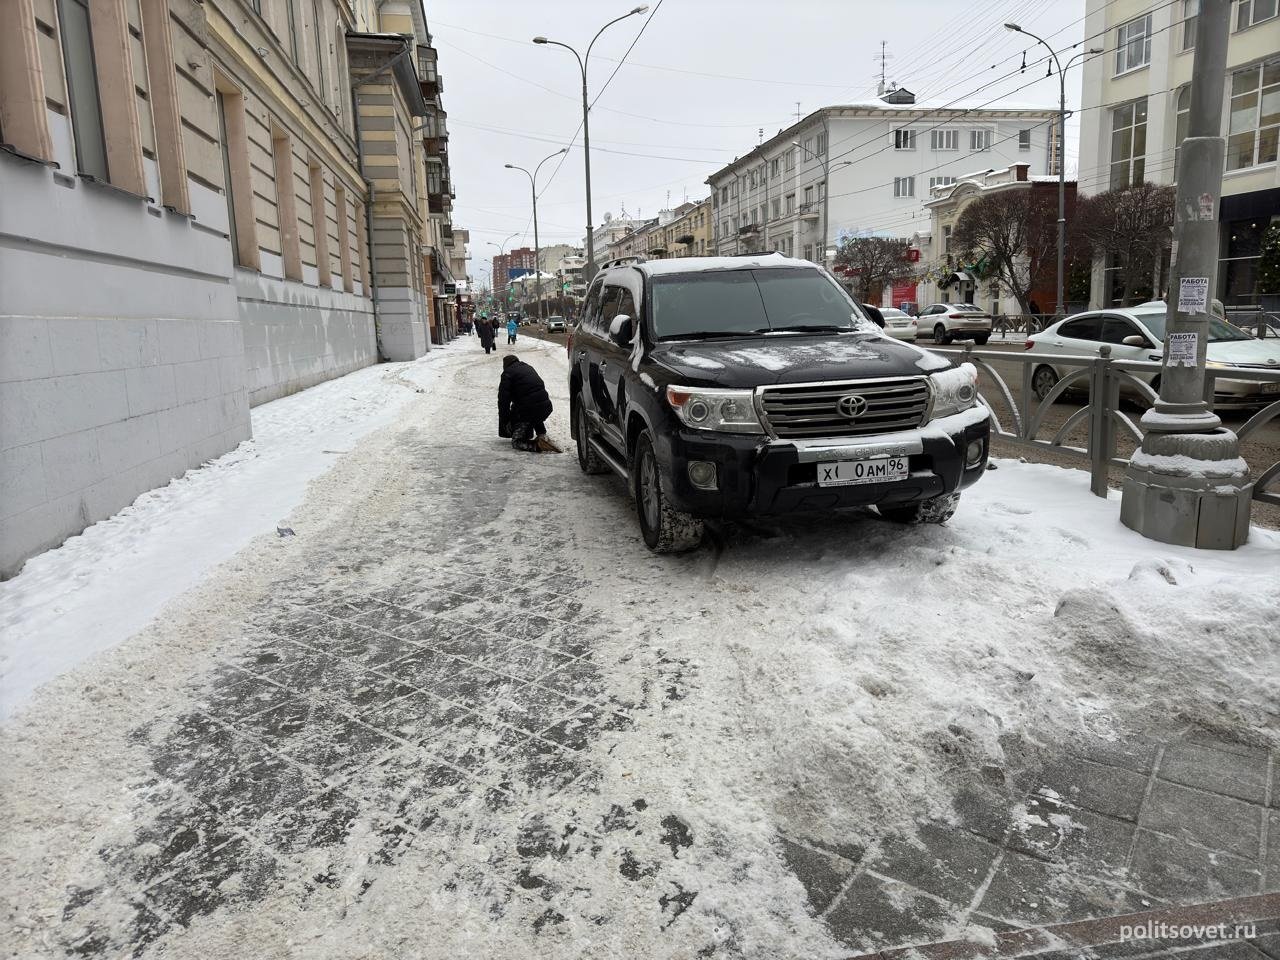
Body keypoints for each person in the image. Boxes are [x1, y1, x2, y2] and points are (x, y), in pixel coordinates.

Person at [498, 354, 560, 453]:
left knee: (517, 442)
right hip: (545, 407)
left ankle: (538, 445)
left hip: (529, 410)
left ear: (505, 365)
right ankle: (542, 435)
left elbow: (503, 401)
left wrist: (505, 421)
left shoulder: (508, 373)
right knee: (532, 407)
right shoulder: (527, 367)